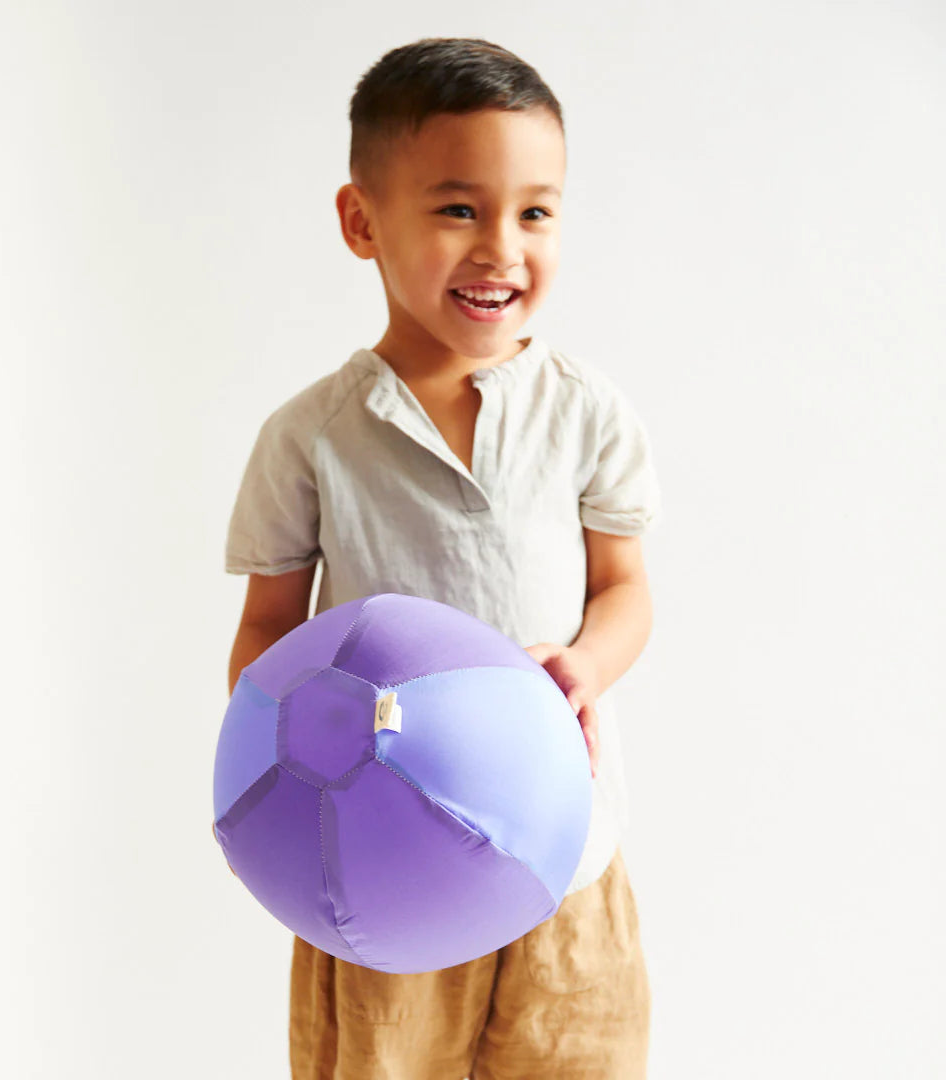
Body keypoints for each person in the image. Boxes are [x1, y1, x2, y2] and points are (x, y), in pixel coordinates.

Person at [223, 36, 663, 1080]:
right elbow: (267, 633)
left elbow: (626, 589)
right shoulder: (312, 434)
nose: (501, 248)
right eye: (460, 208)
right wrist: (289, 745)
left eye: (536, 211)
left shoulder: (586, 412)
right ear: (361, 221)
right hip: (380, 872)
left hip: (567, 850)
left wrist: (588, 665)